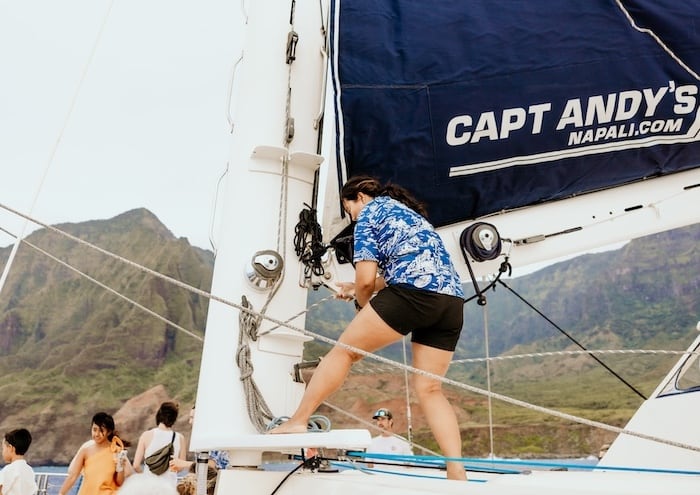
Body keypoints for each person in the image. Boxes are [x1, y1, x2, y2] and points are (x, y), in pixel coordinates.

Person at [270, 176, 467, 481]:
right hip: (451, 300)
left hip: (413, 294)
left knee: (343, 353)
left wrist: (362, 303)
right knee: (430, 388)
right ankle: (457, 470)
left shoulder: (368, 216)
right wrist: (356, 289)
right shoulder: (409, 215)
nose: (351, 217)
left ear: (359, 198)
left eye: (348, 210)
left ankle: (299, 420)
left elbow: (365, 280)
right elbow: (398, 268)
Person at [58, 412, 132, 495]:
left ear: (109, 432)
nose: (96, 434)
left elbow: (119, 483)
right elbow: (73, 476)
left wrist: (120, 467)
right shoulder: (85, 451)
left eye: (101, 431)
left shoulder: (116, 451)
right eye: (94, 429)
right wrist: (61, 493)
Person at [133, 401, 186, 487]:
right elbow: (181, 467)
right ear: (174, 418)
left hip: (150, 486)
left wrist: (146, 477)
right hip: (169, 487)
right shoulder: (180, 438)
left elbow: (136, 465)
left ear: (159, 415)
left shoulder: (146, 435)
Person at [0, 428, 37, 495]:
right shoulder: (29, 470)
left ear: (10, 448)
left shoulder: (8, 470)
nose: (2, 452)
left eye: (3, 448)